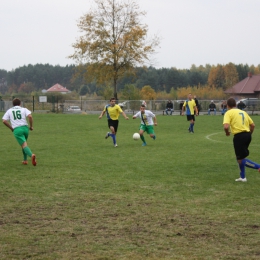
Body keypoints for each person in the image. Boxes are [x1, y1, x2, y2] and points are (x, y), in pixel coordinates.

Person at [223, 97, 260, 182]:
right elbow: (253, 125)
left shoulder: (229, 113)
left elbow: (226, 126)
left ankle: (259, 166)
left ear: (228, 106)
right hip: (247, 135)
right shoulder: (243, 112)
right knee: (239, 156)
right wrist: (249, 134)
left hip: (239, 136)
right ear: (235, 105)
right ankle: (242, 177)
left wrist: (227, 132)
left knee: (241, 159)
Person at [2, 98, 37, 166]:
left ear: (13, 104)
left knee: (24, 145)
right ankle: (25, 160)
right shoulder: (24, 109)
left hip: (17, 130)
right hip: (25, 128)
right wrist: (31, 126)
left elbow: (4, 121)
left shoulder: (9, 111)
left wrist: (11, 128)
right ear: (20, 104)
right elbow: (30, 116)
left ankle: (31, 155)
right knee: (24, 145)